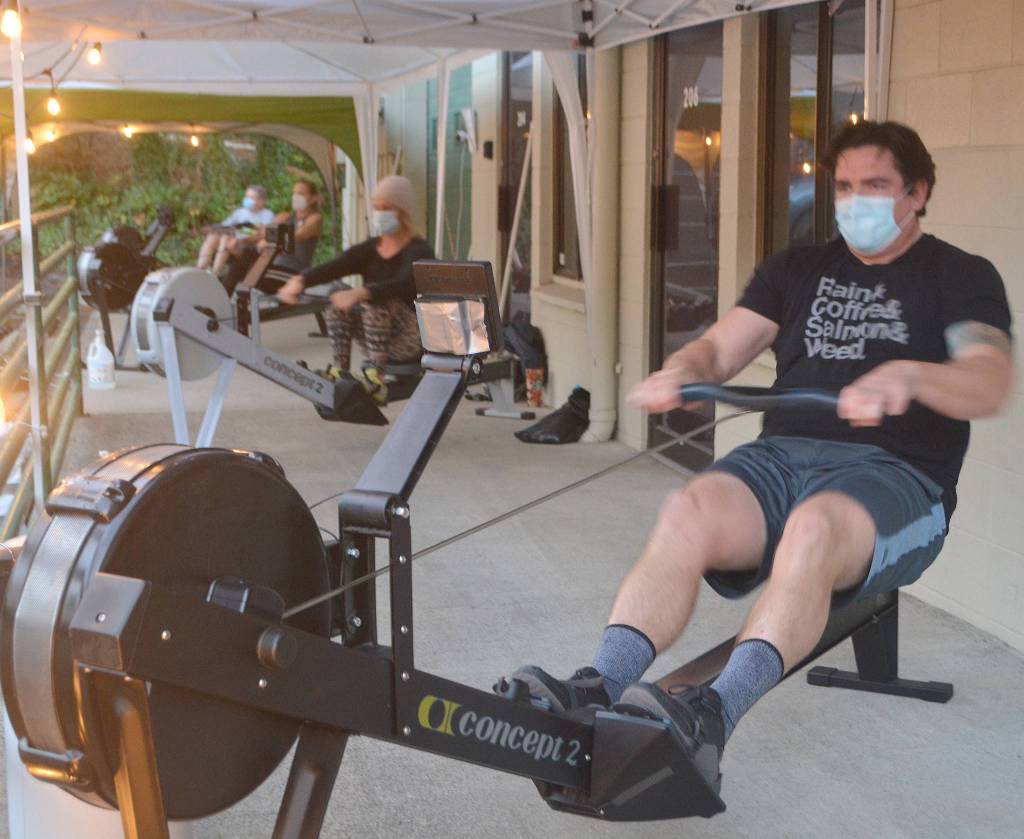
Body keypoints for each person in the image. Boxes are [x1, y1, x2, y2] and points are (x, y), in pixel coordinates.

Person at [509, 121, 1013, 780]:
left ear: (917, 193)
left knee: (813, 529)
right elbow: (719, 347)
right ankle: (596, 685)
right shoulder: (796, 269)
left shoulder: (961, 275)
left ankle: (714, 715)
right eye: (845, 187)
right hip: (781, 459)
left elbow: (988, 379)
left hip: (897, 476)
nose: (854, 201)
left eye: (875, 186)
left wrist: (912, 377)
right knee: (687, 512)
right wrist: (683, 369)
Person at [276, 175, 433, 404]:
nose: (379, 213)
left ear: (402, 211)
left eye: (386, 208)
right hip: (375, 338)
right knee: (337, 295)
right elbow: (339, 265)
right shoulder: (371, 248)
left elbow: (404, 284)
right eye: (376, 207)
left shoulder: (419, 250)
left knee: (374, 299)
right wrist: (301, 280)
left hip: (410, 339)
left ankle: (376, 377)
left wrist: (362, 293)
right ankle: (341, 370)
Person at [221, 179, 324, 295]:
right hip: (274, 266)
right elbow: (261, 232)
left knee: (251, 271)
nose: (295, 197)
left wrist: (271, 239)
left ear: (313, 198)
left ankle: (241, 295)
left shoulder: (314, 219)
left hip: (293, 273)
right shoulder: (285, 216)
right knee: (239, 262)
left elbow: (298, 236)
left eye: (300, 193)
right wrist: (239, 238)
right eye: (294, 193)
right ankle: (221, 302)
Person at [197, 185, 276, 276]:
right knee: (213, 236)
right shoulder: (240, 212)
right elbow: (225, 226)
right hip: (232, 242)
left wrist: (238, 235)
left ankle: (215, 272)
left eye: (250, 197)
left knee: (226, 238)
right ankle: (200, 269)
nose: (247, 200)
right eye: (246, 197)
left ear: (260, 201)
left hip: (249, 247)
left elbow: (262, 233)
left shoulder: (267, 215)